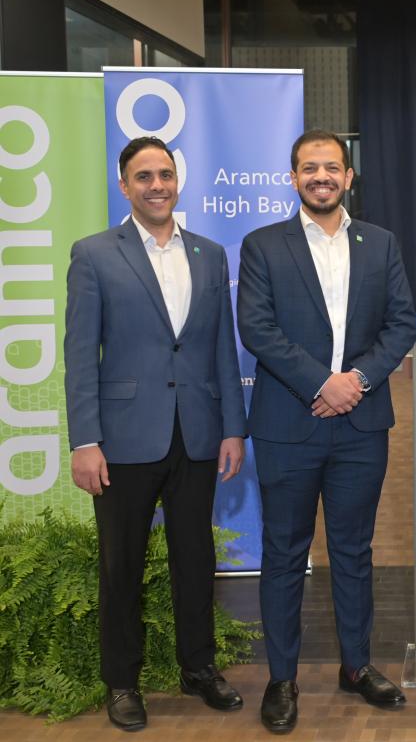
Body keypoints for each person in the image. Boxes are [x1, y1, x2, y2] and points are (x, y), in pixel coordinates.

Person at [64, 136, 248, 731]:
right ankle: (122, 682)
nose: (157, 185)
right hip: (121, 440)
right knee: (122, 567)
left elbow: (222, 346)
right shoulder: (94, 254)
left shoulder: (210, 253)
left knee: (195, 559)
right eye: (144, 176)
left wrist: (233, 430)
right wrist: (84, 440)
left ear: (178, 180)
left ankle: (199, 669)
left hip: (197, 434)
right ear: (125, 186)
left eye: (165, 174)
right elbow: (79, 354)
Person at [237, 129, 416, 733]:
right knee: (284, 554)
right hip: (289, 425)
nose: (322, 176)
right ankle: (282, 678)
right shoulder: (263, 245)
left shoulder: (381, 243)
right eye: (309, 168)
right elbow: (258, 329)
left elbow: (400, 325)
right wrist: (322, 384)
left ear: (348, 176)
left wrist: (357, 381)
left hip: (361, 427)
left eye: (332, 167)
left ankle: (356, 667)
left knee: (353, 552)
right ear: (293, 178)